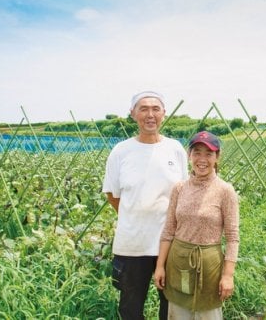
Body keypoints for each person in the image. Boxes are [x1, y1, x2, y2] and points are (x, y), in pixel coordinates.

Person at [102, 91, 189, 320]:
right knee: (130, 307)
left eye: (155, 109)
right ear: (133, 114)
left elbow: (184, 192)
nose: (150, 114)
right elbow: (112, 194)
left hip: (170, 242)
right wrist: (135, 216)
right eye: (143, 109)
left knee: (171, 306)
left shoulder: (175, 149)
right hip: (133, 243)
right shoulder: (121, 151)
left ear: (163, 114)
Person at [154, 131, 240, 319]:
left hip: (209, 266)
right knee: (178, 312)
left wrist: (228, 276)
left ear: (217, 157)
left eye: (208, 154)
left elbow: (233, 238)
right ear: (189, 155)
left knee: (207, 313)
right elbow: (168, 231)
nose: (202, 159)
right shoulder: (179, 188)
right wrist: (160, 266)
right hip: (179, 262)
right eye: (197, 152)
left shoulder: (225, 191)